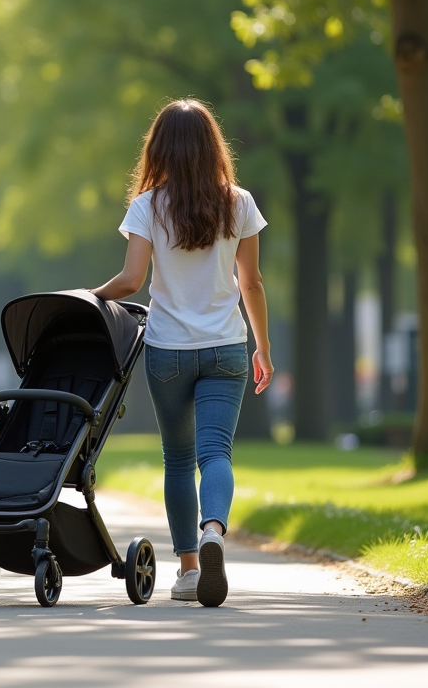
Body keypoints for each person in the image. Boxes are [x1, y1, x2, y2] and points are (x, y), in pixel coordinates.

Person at [91, 98, 273, 607]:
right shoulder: (239, 203)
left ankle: (190, 569)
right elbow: (251, 282)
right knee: (216, 453)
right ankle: (214, 529)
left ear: (159, 148)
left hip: (168, 350)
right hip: (226, 348)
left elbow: (131, 280)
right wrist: (262, 346)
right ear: (214, 146)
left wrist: (90, 297)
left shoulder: (148, 206)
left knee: (177, 458)